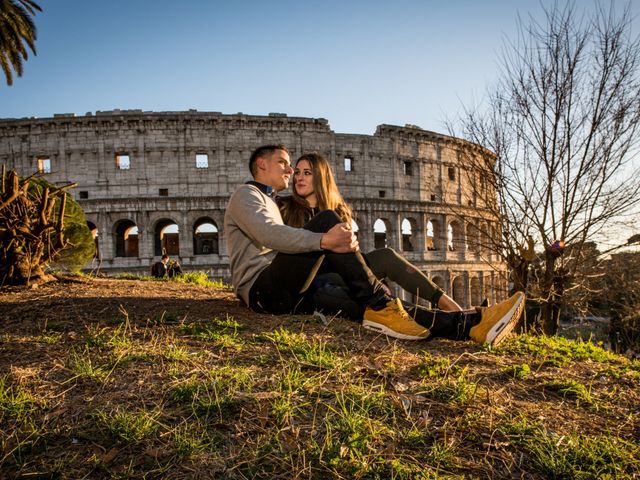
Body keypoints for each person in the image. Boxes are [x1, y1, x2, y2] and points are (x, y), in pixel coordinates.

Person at [224, 144, 525, 346]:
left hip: (290, 295)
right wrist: (325, 238)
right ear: (261, 165)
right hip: (264, 291)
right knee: (330, 225)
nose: (290, 172)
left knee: (366, 305)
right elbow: (270, 235)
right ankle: (381, 300)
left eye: (300, 169)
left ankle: (470, 324)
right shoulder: (248, 195)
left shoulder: (268, 201)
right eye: (285, 164)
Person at [278, 152, 463, 312]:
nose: (299, 178)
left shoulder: (339, 210)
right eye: (298, 173)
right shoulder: (284, 207)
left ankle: (451, 306)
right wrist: (370, 281)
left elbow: (350, 254)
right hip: (310, 276)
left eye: (307, 173)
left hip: (342, 271)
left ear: (321, 177)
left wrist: (368, 277)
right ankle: (430, 318)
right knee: (361, 288)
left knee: (387, 256)